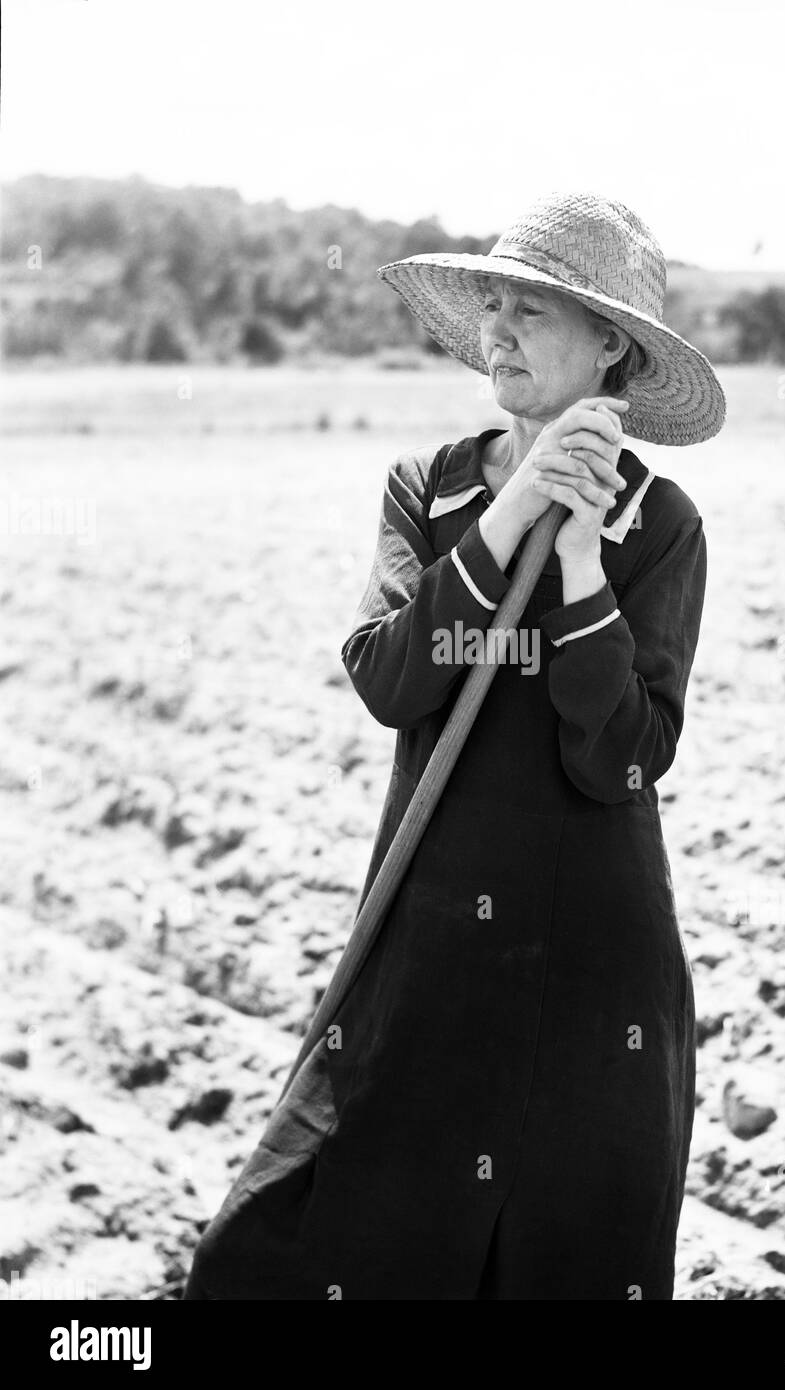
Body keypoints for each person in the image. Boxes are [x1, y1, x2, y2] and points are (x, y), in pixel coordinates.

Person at [182, 190, 726, 1300]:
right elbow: (388, 679)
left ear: (610, 344)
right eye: (495, 305)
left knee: (561, 1257)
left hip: (591, 967)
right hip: (432, 938)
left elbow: (622, 756)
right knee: (333, 1237)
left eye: (534, 312)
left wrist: (578, 565)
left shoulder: (659, 525)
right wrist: (512, 511)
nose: (500, 332)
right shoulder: (425, 490)